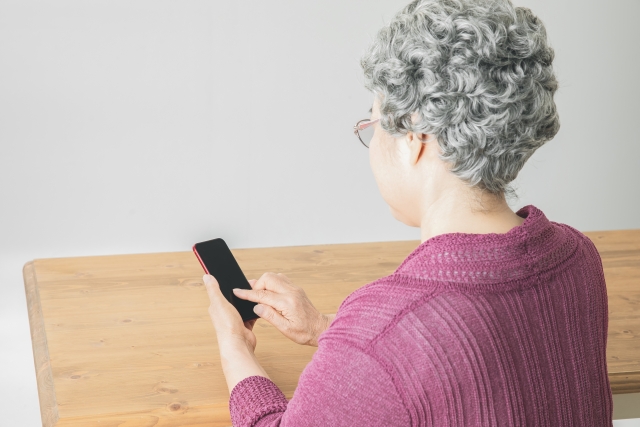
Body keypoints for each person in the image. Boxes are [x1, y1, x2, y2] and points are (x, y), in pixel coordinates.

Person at [202, 0, 614, 425]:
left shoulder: (382, 337)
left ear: (414, 137)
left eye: (373, 124)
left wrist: (233, 344)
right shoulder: (578, 257)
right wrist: (331, 330)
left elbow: (403, 349)